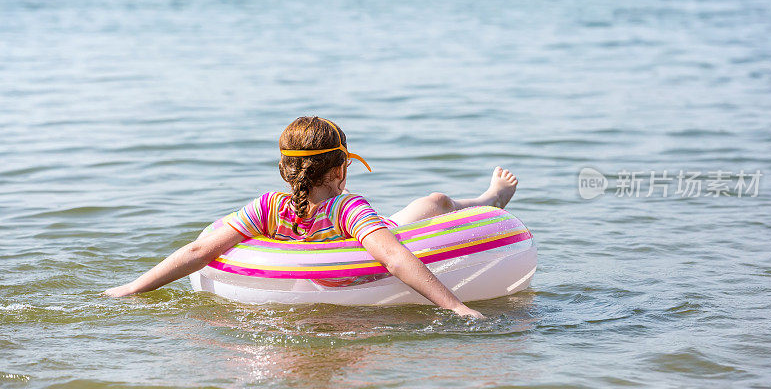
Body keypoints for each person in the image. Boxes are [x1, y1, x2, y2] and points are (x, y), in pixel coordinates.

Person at [103, 116, 518, 319]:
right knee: (435, 201)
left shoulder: (267, 207)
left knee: (435, 202)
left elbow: (198, 250)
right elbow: (394, 259)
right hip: (379, 238)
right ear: (341, 170)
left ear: (285, 170)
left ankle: (489, 200)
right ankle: (492, 198)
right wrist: (457, 307)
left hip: (352, 248)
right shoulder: (349, 208)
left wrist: (132, 288)